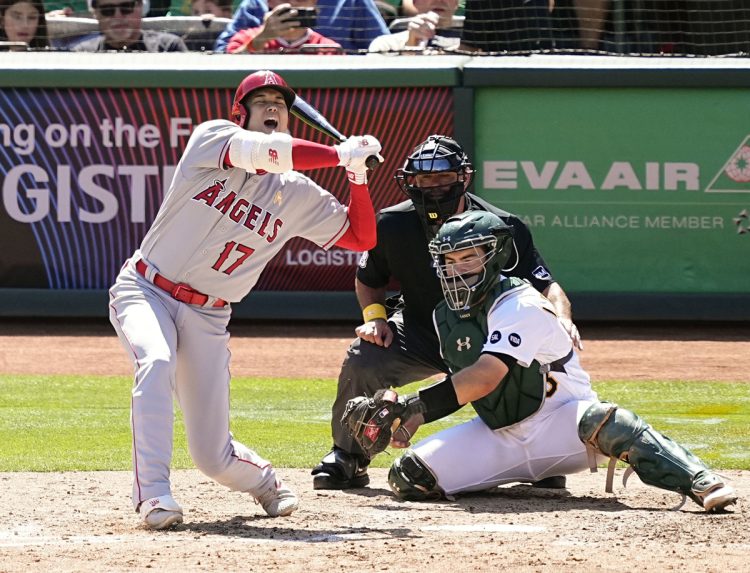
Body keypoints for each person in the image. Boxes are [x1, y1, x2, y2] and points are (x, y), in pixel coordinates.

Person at [108, 69, 383, 530]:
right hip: (146, 288)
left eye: (280, 101)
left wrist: (356, 176)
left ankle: (265, 482)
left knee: (212, 456)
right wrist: (340, 152)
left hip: (208, 314)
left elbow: (360, 237)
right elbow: (268, 154)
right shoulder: (212, 140)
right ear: (241, 113)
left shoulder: (297, 192)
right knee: (155, 362)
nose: (273, 107)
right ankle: (153, 495)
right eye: (262, 101)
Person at [354, 210, 737, 514]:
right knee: (409, 477)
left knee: (608, 420)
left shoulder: (520, 303)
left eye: (469, 258)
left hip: (564, 426)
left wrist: (415, 405)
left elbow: (485, 377)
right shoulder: (444, 316)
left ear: (497, 255)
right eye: (449, 261)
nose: (458, 270)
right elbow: (465, 384)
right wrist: (409, 421)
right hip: (498, 432)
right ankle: (511, 475)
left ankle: (700, 479)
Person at [312, 135, 580, 490]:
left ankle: (542, 455)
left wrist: (563, 318)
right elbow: (368, 279)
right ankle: (348, 456)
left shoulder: (504, 226)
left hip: (488, 337)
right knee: (365, 357)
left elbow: (548, 286)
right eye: (424, 180)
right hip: (421, 329)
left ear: (462, 177)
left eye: (442, 178)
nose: (433, 188)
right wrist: (374, 318)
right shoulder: (392, 224)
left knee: (527, 360)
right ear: (410, 182)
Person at [214, 0, 389, 52]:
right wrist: (262, 36)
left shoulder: (352, 2)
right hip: (261, 99)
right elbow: (221, 56)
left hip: (334, 96)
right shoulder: (254, 5)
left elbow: (382, 52)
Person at [227, 0, 341, 54]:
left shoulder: (329, 48)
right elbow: (227, 72)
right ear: (269, 2)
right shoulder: (244, 38)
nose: (292, 3)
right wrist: (262, 38)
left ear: (314, 4)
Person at [71, 0, 188, 51]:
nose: (118, 16)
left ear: (141, 7)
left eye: (126, 7)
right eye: (107, 10)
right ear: (95, 14)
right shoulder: (83, 53)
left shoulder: (169, 48)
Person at [368, 0, 459, 52]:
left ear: (456, 3)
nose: (439, 0)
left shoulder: (469, 44)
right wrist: (411, 44)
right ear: (415, 2)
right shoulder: (386, 45)